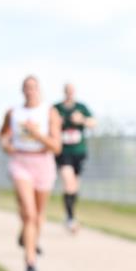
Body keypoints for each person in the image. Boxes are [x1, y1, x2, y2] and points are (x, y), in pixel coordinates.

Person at [0, 76, 62, 271]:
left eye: (33, 88)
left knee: (38, 214)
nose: (30, 91)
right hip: (21, 163)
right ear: (22, 90)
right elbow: (3, 136)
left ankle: (29, 239)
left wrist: (36, 134)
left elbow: (56, 146)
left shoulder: (49, 112)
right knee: (29, 213)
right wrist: (6, 144)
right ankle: (30, 262)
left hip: (43, 162)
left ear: (39, 90)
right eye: (26, 88)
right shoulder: (13, 113)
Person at [54, 83, 96, 233]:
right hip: (63, 151)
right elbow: (47, 124)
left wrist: (82, 120)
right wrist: (56, 122)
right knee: (68, 182)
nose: (70, 93)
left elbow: (93, 123)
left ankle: (70, 214)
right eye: (68, 91)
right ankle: (70, 218)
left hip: (78, 151)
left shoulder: (81, 107)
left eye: (72, 91)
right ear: (64, 92)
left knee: (74, 186)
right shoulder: (56, 108)